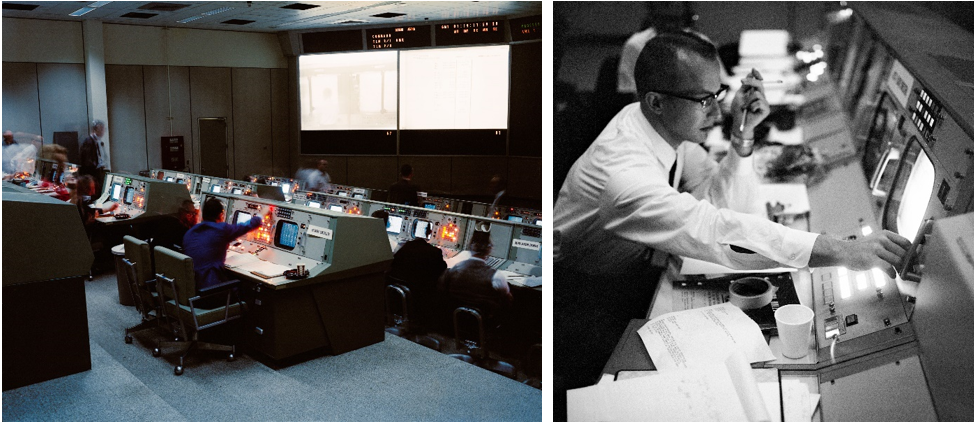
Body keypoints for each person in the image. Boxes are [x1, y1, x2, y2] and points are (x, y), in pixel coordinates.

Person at [552, 30, 912, 416]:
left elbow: (726, 206)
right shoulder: (623, 177)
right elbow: (717, 228)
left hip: (626, 270)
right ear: (656, 102)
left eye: (717, 94)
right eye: (702, 100)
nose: (717, 112)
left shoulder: (657, 127)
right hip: (574, 297)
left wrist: (743, 137)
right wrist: (839, 249)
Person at [182, 197, 266, 291]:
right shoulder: (221, 229)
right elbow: (245, 226)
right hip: (209, 290)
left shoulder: (191, 232)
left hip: (190, 289)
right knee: (245, 288)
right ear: (221, 215)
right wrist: (260, 216)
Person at [438, 231, 512, 326]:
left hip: (457, 319)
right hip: (484, 322)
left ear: (470, 247)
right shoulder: (496, 276)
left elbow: (441, 288)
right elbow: (507, 299)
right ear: (489, 249)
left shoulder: (454, 269)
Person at [388, 221, 448, 328]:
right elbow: (443, 271)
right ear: (430, 232)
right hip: (419, 296)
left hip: (397, 293)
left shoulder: (404, 247)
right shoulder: (434, 252)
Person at [617, 18, 658, 98]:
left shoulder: (689, 40)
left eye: (676, 20)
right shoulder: (636, 44)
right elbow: (630, 93)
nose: (670, 25)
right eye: (664, 18)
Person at [79, 120, 108, 192]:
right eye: (102, 129)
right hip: (92, 173)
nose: (103, 132)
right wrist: (96, 167)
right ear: (97, 129)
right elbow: (87, 160)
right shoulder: (89, 142)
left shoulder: (97, 141)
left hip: (97, 171)